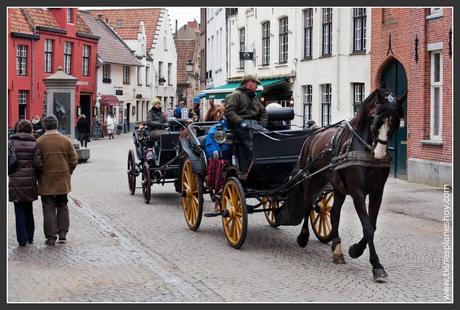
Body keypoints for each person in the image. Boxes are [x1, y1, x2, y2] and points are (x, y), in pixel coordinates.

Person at [37, 115, 78, 246]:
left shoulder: (39, 141)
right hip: (62, 179)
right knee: (62, 206)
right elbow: (74, 160)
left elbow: (36, 162)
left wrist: (39, 175)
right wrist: (68, 172)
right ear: (57, 124)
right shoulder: (66, 141)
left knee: (48, 208)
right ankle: (62, 234)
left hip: (46, 179)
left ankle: (50, 237)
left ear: (44, 126)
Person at [8, 120, 43, 247]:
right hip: (30, 181)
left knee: (19, 210)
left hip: (15, 181)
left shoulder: (11, 142)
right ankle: (30, 236)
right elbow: (38, 164)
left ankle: (21, 240)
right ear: (30, 129)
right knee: (29, 209)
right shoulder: (34, 143)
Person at [224, 75, 268, 172]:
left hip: (255, 125)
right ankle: (252, 168)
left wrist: (262, 125)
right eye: (256, 84)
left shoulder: (254, 97)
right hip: (240, 126)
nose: (257, 86)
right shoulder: (236, 95)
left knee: (269, 137)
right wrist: (241, 122)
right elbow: (229, 112)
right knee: (256, 144)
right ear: (249, 83)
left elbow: (263, 112)